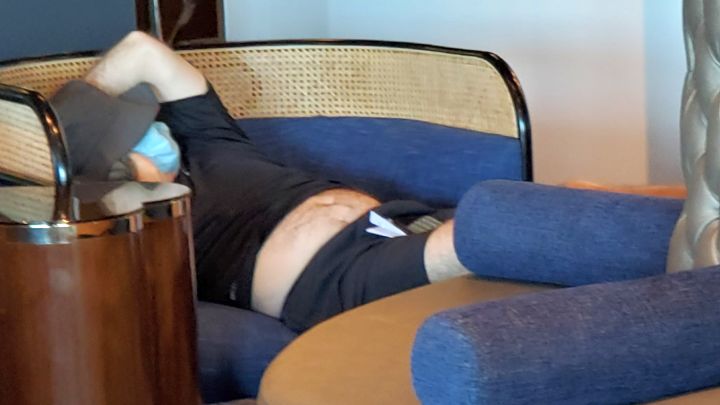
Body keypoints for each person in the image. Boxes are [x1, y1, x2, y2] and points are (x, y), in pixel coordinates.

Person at [60, 31, 470, 332]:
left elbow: (142, 51)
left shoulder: (205, 137)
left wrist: (79, 108)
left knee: (493, 225)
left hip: (397, 223)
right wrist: (124, 173)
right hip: (330, 277)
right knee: (480, 240)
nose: (147, 143)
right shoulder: (140, 220)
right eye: (123, 145)